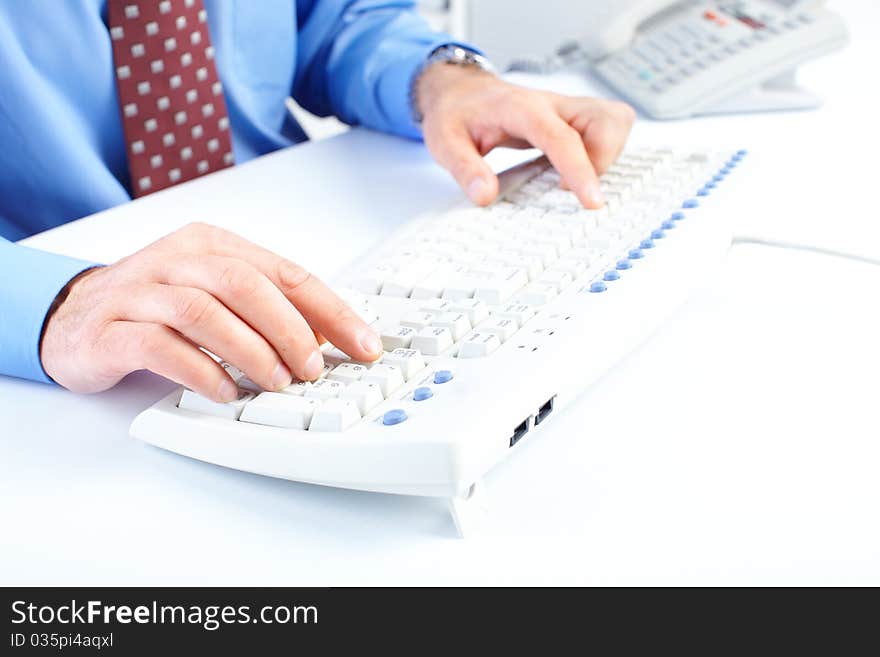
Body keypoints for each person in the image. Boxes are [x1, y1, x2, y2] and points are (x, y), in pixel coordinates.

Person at [0, 0, 635, 403]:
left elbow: (329, 19)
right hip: (60, 336)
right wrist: (56, 305)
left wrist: (438, 79)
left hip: (297, 236)